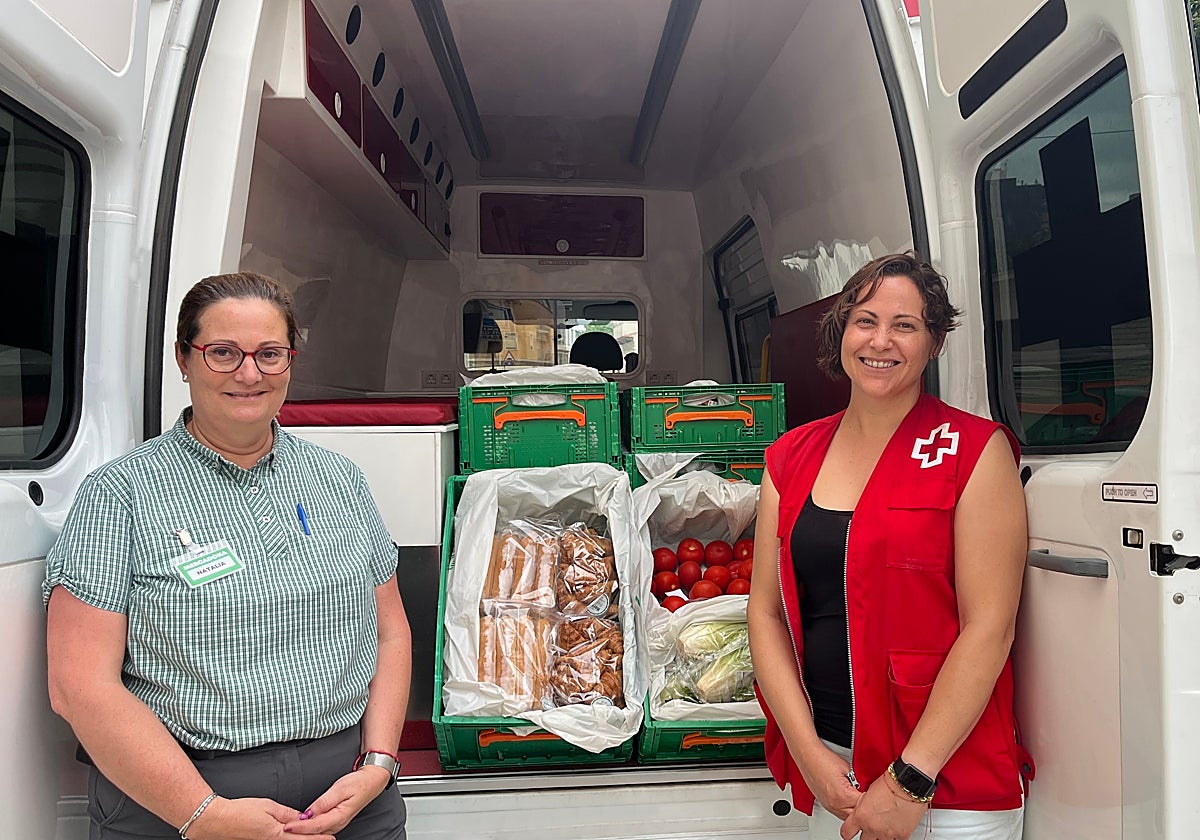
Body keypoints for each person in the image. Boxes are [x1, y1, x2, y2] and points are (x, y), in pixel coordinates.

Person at [44, 272, 412, 840]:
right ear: (183, 360)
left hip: (347, 797)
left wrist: (380, 763)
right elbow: (78, 686)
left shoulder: (339, 482)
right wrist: (205, 815)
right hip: (176, 799)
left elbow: (391, 632)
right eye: (223, 353)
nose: (249, 373)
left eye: (269, 354)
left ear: (290, 360)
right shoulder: (120, 494)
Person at [747, 253, 1030, 840]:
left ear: (934, 342)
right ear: (842, 332)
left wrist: (910, 781)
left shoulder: (974, 452)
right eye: (865, 320)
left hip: (945, 784)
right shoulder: (789, 458)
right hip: (834, 769)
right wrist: (808, 755)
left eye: (906, 325)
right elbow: (766, 614)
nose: (882, 341)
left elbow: (990, 627)